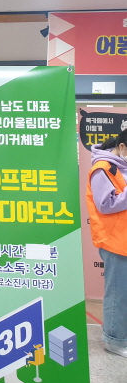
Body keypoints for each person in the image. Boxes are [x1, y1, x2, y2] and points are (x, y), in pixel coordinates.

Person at [87, 130, 127, 358]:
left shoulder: (121, 166)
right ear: (122, 147)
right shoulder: (102, 168)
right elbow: (105, 204)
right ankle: (114, 340)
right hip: (115, 240)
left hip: (123, 238)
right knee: (117, 293)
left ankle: (121, 335)